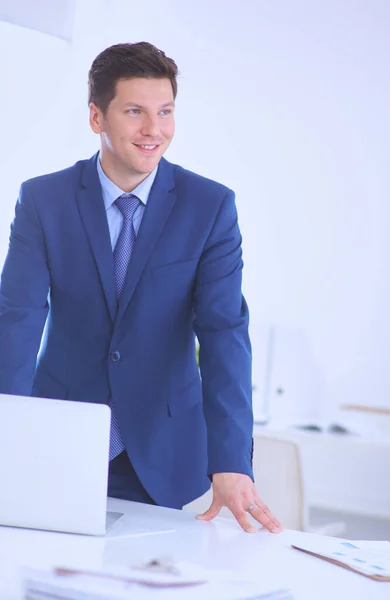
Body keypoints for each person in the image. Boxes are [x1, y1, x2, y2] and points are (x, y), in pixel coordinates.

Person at [0, 42, 282, 534]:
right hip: (60, 439)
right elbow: (18, 321)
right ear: (96, 117)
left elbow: (224, 334)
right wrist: (9, 437)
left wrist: (232, 459)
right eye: (135, 112)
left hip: (165, 449)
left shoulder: (210, 206)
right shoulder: (44, 200)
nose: (155, 130)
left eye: (165, 112)